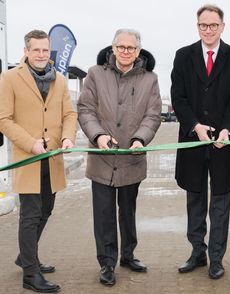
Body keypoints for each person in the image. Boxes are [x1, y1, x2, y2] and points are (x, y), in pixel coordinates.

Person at [78, 28, 162, 286]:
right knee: (104, 215)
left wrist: (140, 139)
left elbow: (153, 114)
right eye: (121, 47)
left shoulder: (150, 79)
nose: (126, 52)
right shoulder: (94, 74)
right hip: (101, 159)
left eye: (131, 48)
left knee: (127, 211)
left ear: (139, 51)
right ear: (113, 48)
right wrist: (98, 136)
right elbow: (86, 109)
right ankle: (106, 263)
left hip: (131, 158)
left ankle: (128, 255)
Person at [170, 4, 230, 280]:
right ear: (197, 26)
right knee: (195, 200)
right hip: (193, 140)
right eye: (203, 25)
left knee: (220, 203)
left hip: (224, 144)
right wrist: (194, 125)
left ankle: (216, 257)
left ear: (223, 26)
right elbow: (178, 97)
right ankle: (196, 252)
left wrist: (228, 129)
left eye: (214, 25)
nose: (208, 30)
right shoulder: (183, 56)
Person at [0, 30, 77, 293]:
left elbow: (69, 113)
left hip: (53, 159)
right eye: (36, 50)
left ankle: (26, 257)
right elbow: (4, 119)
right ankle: (30, 275)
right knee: (30, 215)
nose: (42, 55)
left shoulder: (60, 80)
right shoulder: (9, 78)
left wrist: (67, 138)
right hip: (28, 158)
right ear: (26, 52)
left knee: (46, 209)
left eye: (46, 50)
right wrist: (30, 143)